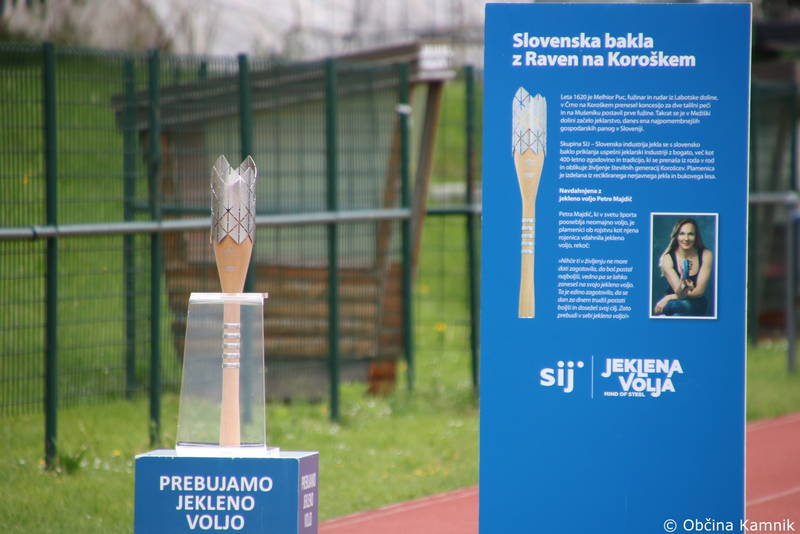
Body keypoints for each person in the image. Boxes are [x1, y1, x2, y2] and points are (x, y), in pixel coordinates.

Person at [653, 218, 713, 317]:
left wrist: (668, 297)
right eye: (682, 234)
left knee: (675, 306)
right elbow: (681, 294)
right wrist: (682, 284)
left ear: (696, 236)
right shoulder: (667, 258)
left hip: (696, 303)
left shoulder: (706, 255)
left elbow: (699, 292)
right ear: (676, 235)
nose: (686, 238)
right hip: (676, 302)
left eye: (690, 234)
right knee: (677, 312)